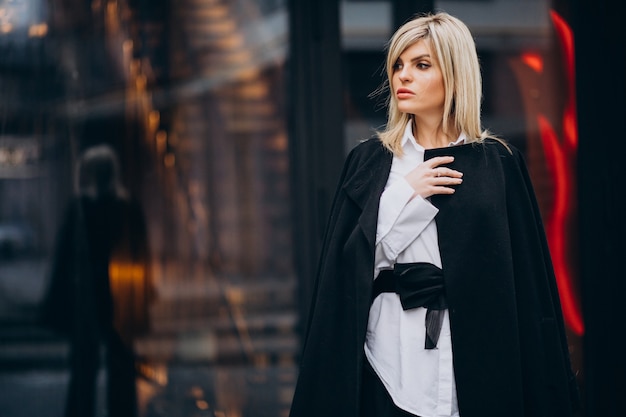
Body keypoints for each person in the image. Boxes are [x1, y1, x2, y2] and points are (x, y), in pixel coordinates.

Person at [288, 12, 579, 417]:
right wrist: (409, 194)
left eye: (422, 65)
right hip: (386, 360)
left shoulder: (498, 164)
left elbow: (528, 283)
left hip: (478, 360)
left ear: (454, 75)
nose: (403, 76)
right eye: (398, 65)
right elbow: (349, 268)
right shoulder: (369, 163)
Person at [41, 144, 155, 417]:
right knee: (118, 366)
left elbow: (64, 256)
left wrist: (56, 298)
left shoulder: (81, 208)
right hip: (117, 294)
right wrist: (145, 294)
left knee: (84, 368)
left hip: (89, 296)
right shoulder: (125, 207)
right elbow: (141, 255)